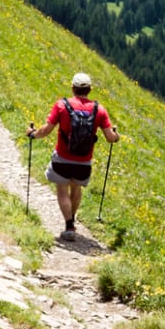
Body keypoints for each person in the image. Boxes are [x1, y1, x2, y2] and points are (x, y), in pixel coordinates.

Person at [26, 72, 119, 240]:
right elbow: (110, 138)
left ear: (72, 88)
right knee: (76, 188)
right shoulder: (100, 110)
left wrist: (32, 134)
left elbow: (46, 130)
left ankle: (69, 225)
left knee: (62, 188)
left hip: (62, 157)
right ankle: (72, 220)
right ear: (90, 89)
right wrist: (116, 135)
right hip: (84, 161)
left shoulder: (62, 105)